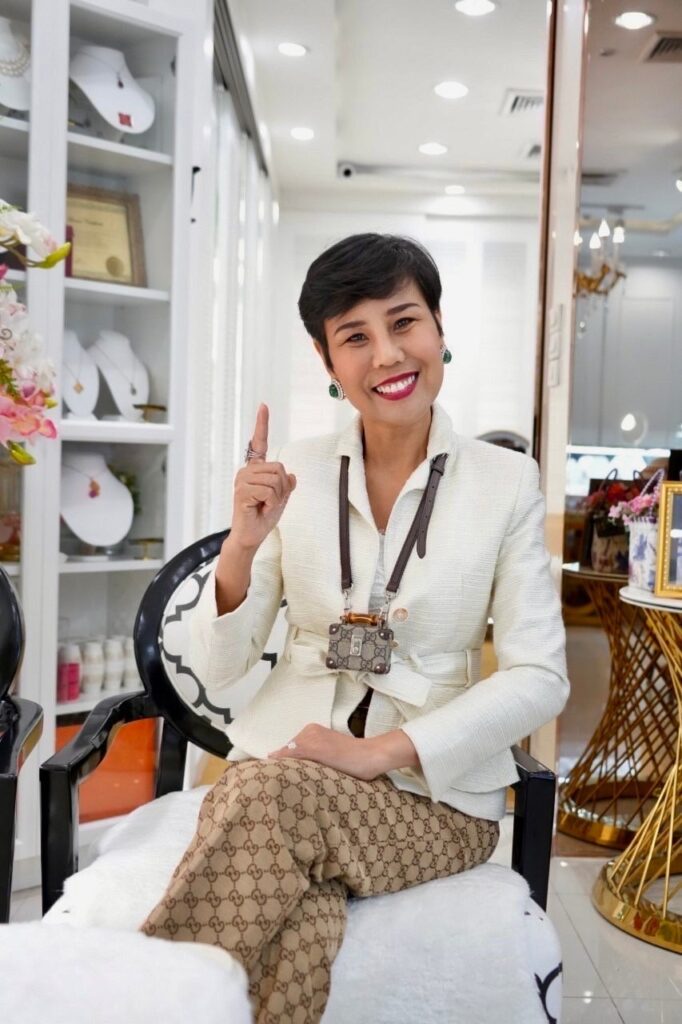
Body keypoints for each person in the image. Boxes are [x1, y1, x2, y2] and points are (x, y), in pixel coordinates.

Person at [140, 234, 569, 1023]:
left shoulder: (507, 482)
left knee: (264, 799)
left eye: (404, 322)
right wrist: (242, 545)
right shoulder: (296, 471)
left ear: (438, 327)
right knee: (296, 914)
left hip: (432, 798)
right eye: (355, 336)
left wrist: (379, 752)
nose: (388, 355)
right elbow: (221, 667)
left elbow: (539, 676)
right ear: (326, 359)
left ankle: (133, 997)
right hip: (283, 770)